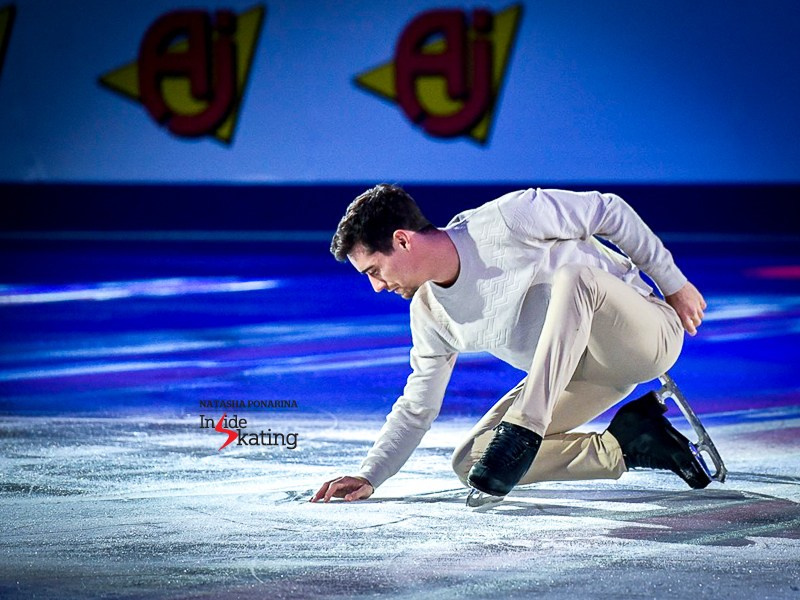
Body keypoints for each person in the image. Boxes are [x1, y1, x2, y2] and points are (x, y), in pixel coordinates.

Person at [310, 184, 711, 503]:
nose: (377, 286)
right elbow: (417, 407)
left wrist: (674, 283)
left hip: (645, 338)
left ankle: (525, 427)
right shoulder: (429, 312)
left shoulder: (508, 219)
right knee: (473, 461)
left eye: (375, 270)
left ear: (402, 240)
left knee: (575, 278)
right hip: (582, 379)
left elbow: (609, 209)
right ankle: (627, 443)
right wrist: (370, 474)